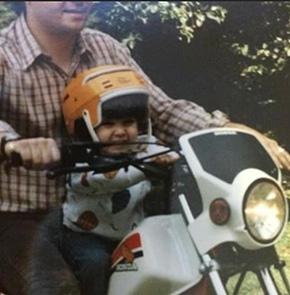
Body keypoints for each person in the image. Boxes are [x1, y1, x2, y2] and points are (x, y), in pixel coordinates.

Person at [0, 2, 289, 295]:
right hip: (25, 217)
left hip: (110, 212)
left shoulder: (105, 48)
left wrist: (228, 129)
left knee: (193, 268)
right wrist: (12, 143)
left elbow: (161, 111)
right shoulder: (4, 54)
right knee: (56, 289)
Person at [29, 65, 179, 295]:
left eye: (128, 122)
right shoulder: (81, 161)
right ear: (85, 126)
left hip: (131, 232)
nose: (120, 131)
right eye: (108, 124)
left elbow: (164, 153)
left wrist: (173, 157)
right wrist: (147, 168)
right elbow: (107, 181)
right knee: (96, 264)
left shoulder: (143, 146)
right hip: (85, 236)